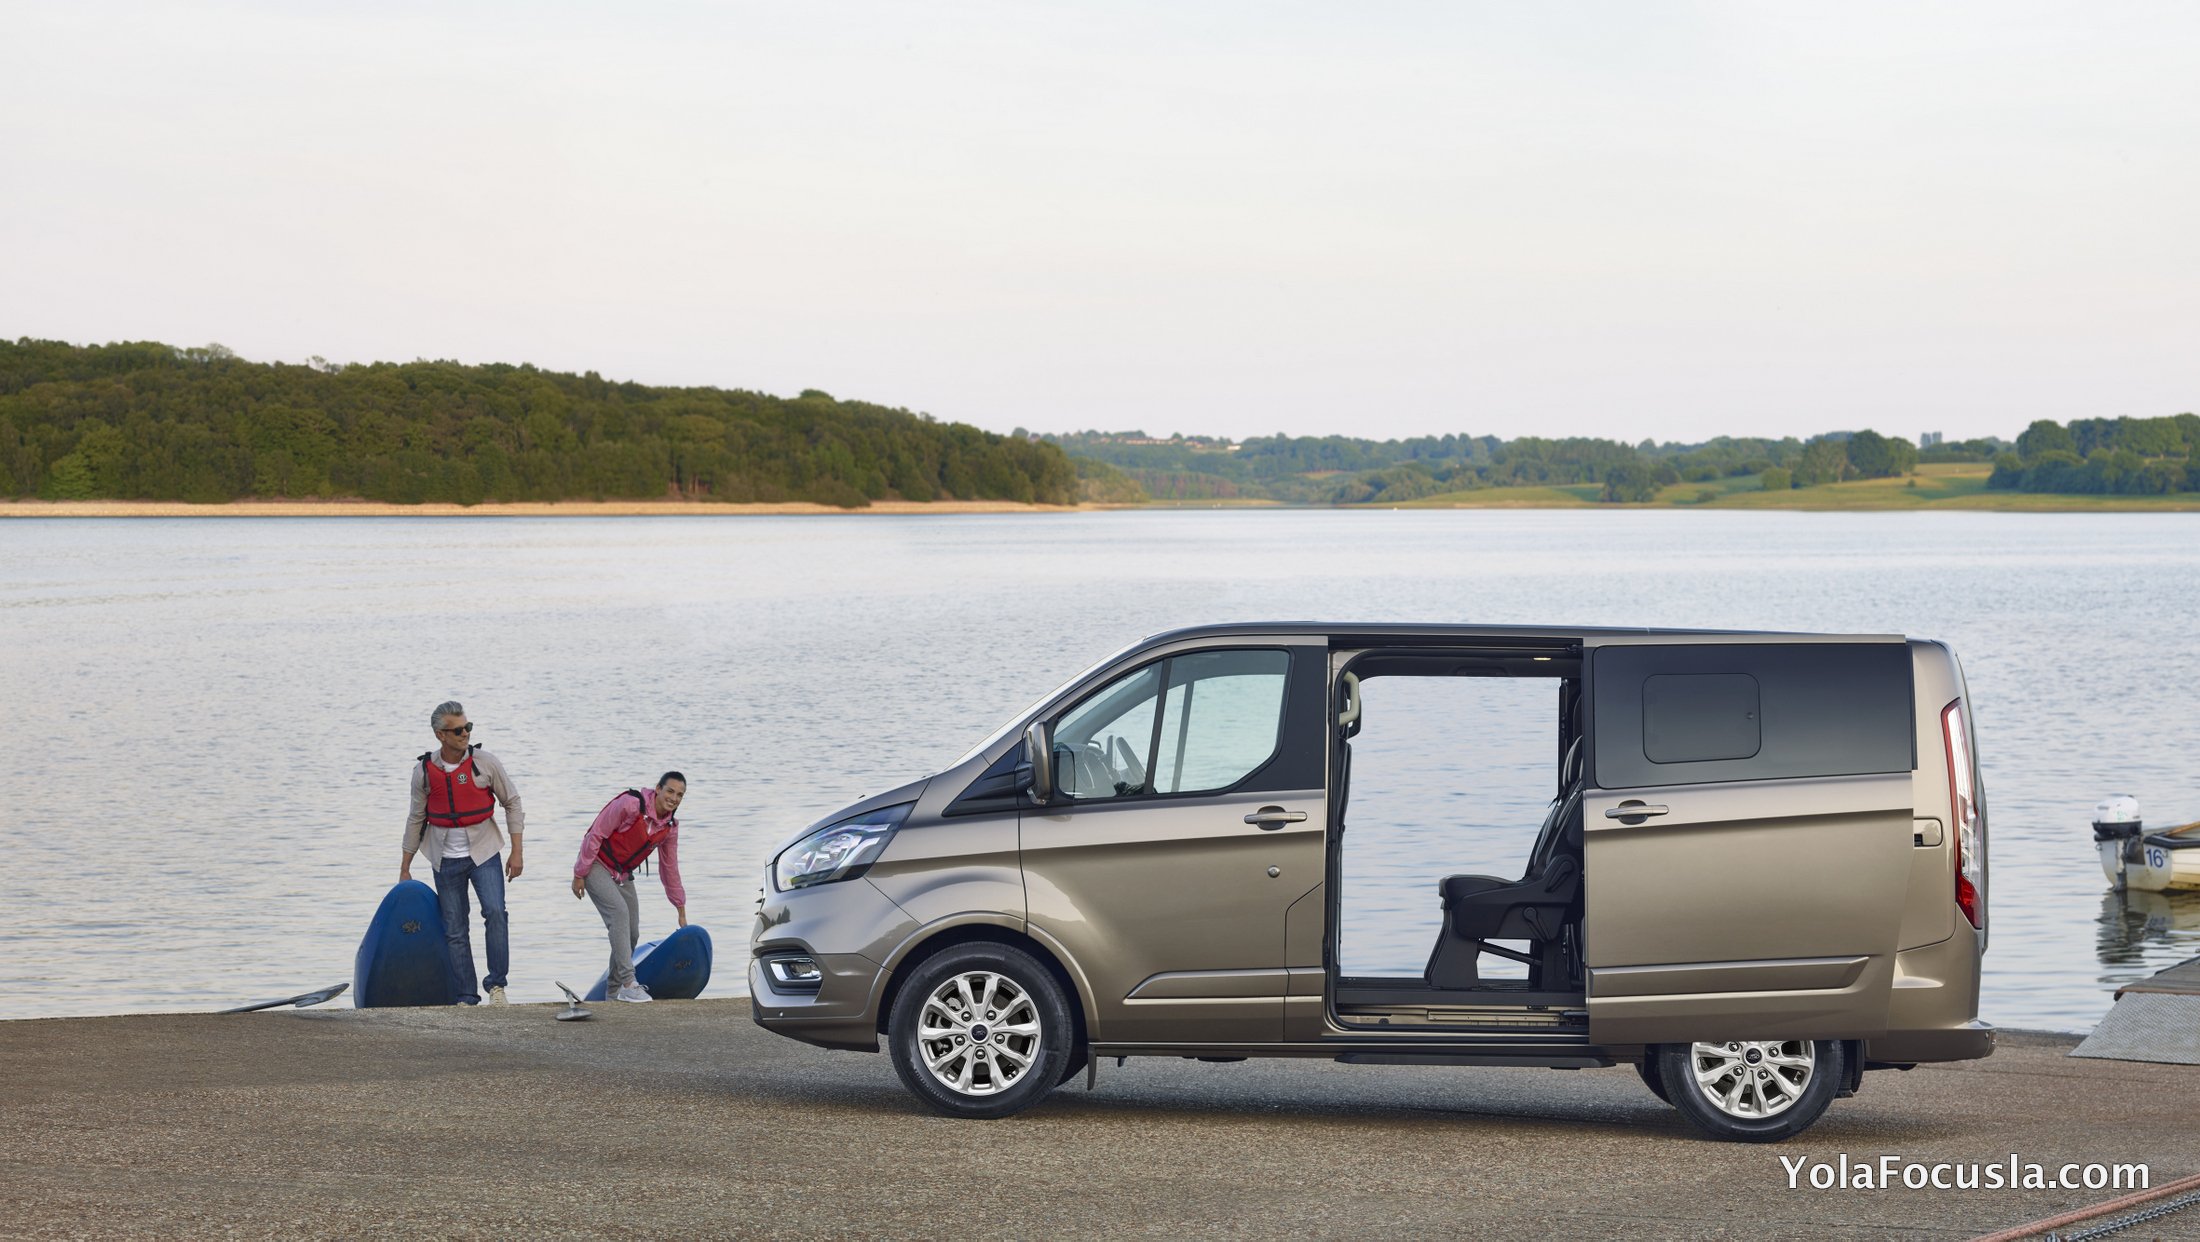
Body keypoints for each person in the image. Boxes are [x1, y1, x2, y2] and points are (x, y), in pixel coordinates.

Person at [399, 701, 525, 1006]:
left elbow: (512, 802)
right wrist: (405, 867)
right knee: (455, 929)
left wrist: (517, 851)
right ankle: (467, 996)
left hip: (484, 852)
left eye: (467, 727)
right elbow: (416, 818)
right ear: (441, 735)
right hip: (444, 859)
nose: (465, 733)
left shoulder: (486, 763)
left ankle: (497, 987)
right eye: (458, 730)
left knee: (495, 913)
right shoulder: (423, 772)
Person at [572, 772, 687, 1003]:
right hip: (595, 863)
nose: (674, 798)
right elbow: (596, 833)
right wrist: (579, 873)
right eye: (670, 791)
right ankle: (628, 983)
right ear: (658, 789)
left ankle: (612, 994)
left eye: (680, 795)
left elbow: (669, 868)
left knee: (632, 932)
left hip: (622, 874)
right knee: (619, 913)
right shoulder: (631, 804)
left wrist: (681, 910)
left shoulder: (670, 827)